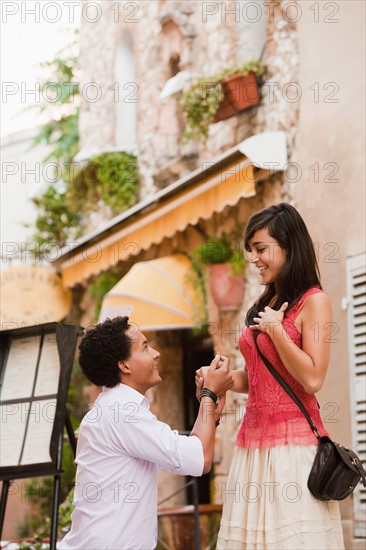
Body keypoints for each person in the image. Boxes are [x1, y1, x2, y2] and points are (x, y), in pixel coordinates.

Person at [196, 203, 344, 549]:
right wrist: (223, 379)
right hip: (252, 448)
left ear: (289, 247)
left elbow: (312, 379)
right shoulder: (270, 299)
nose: (255, 259)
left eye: (261, 249)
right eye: (251, 251)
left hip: (292, 450)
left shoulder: (315, 301)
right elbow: (261, 377)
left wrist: (277, 332)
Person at [59, 316, 233, 550]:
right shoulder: (122, 413)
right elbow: (198, 459)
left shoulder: (114, 408)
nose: (156, 353)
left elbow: (189, 453)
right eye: (145, 347)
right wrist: (209, 395)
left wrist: (210, 408)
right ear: (125, 365)